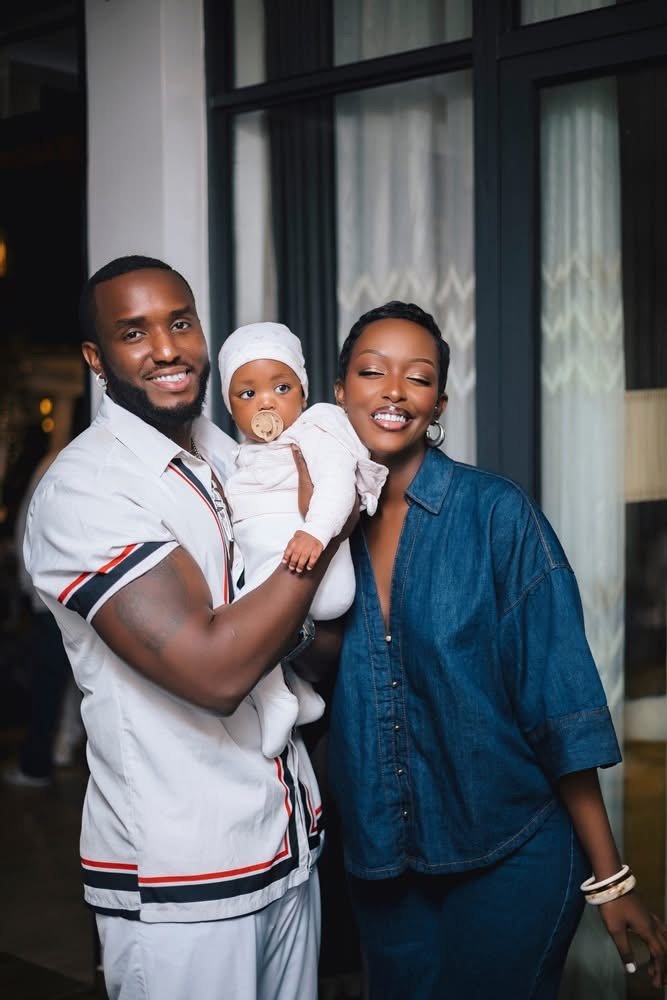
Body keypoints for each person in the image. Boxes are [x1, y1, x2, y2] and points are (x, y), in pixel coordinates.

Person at [23, 255, 352, 1000]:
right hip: (186, 880)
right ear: (96, 358)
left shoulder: (226, 452)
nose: (167, 348)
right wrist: (331, 520)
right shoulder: (87, 490)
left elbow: (298, 636)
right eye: (134, 332)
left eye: (180, 323)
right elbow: (215, 671)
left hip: (287, 841)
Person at [328, 300, 667, 999]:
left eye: (418, 377)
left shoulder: (496, 515)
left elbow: (559, 709)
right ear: (339, 391)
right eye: (371, 371)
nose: (394, 390)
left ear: (439, 403)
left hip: (511, 853)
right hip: (383, 862)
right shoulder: (312, 528)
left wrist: (610, 878)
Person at [218, 321, 386, 758]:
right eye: (247, 393)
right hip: (278, 564)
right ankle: (299, 693)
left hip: (309, 563)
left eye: (281, 387)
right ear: (231, 410)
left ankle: (274, 698)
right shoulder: (244, 455)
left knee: (244, 625)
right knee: (243, 608)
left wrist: (315, 532)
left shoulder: (316, 427)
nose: (266, 402)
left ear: (304, 395)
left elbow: (337, 483)